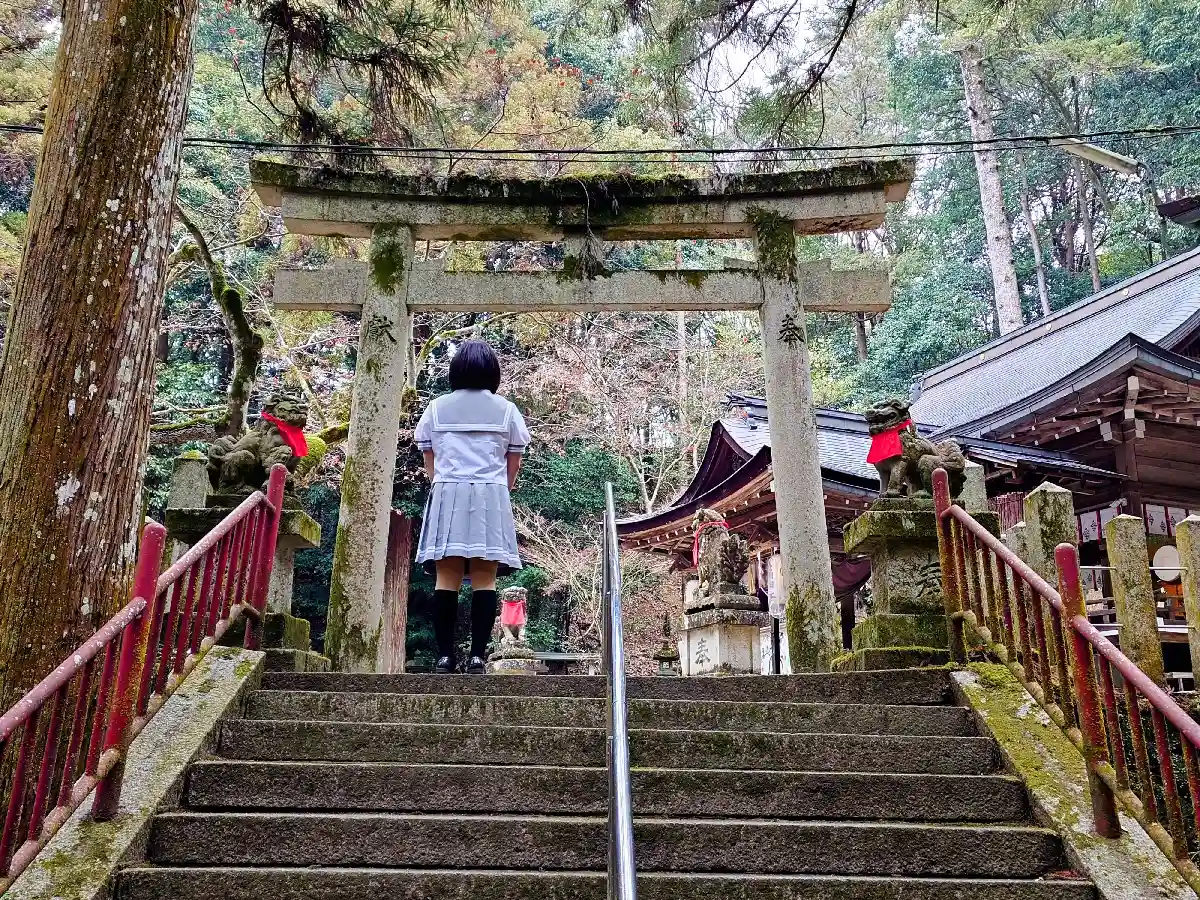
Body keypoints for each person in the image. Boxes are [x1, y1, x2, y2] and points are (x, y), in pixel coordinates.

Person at [414, 340, 530, 674]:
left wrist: (444, 485)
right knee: (485, 577)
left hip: (447, 492)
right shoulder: (506, 410)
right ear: (492, 371)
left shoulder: (436, 408)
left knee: (446, 577)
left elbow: (430, 460)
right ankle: (478, 657)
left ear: (456, 370)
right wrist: (499, 491)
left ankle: (444, 657)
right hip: (491, 495)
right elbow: (513, 463)